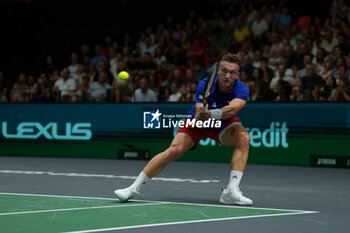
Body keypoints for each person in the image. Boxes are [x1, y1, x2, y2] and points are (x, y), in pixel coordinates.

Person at [115, 53, 253, 205]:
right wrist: (202, 114)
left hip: (223, 124)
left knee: (244, 138)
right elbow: (198, 113)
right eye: (224, 71)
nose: (228, 76)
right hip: (198, 124)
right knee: (173, 150)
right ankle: (133, 188)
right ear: (218, 71)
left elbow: (233, 109)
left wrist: (212, 113)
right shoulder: (205, 84)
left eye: (232, 72)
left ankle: (231, 191)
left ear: (237, 75)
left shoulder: (242, 89)